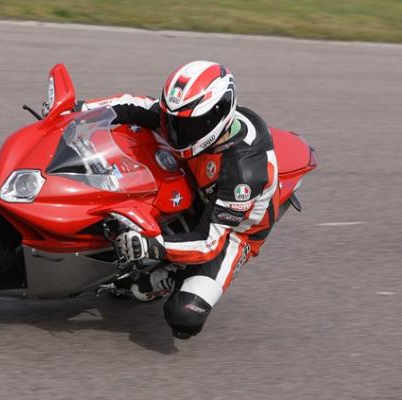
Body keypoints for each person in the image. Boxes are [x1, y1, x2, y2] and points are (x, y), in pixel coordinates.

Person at [78, 60, 279, 339]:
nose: (174, 132)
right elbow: (136, 104)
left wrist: (154, 245)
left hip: (231, 232)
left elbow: (210, 242)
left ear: (216, 116)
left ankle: (170, 276)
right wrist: (81, 110)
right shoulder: (186, 119)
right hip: (196, 188)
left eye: (187, 125)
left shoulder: (243, 172)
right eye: (172, 121)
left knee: (183, 317)